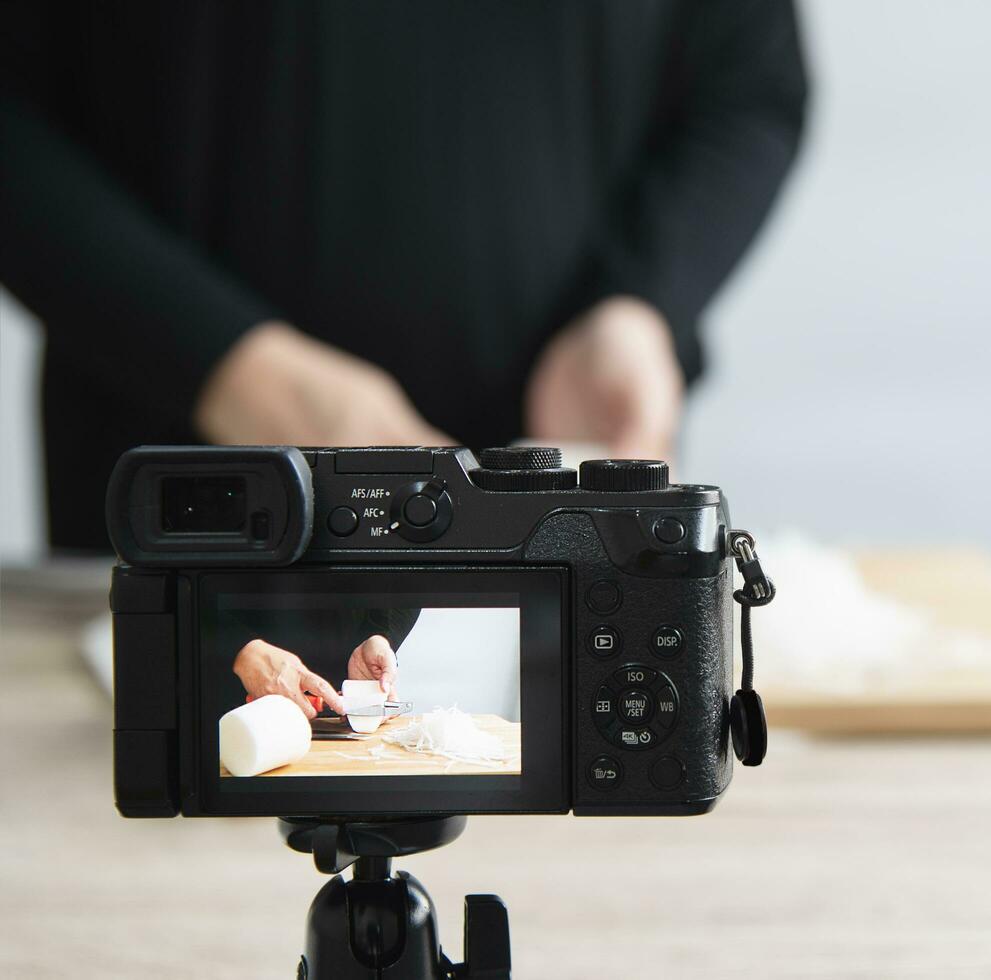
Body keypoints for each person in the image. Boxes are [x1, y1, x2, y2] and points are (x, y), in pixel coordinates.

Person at [0, 2, 808, 551]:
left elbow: (747, 86)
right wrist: (225, 363)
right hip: (186, 505)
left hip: (564, 528)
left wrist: (638, 302)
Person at [222, 606, 421, 719]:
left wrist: (380, 634)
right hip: (228, 687)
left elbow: (413, 567)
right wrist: (241, 648)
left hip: (346, 682)